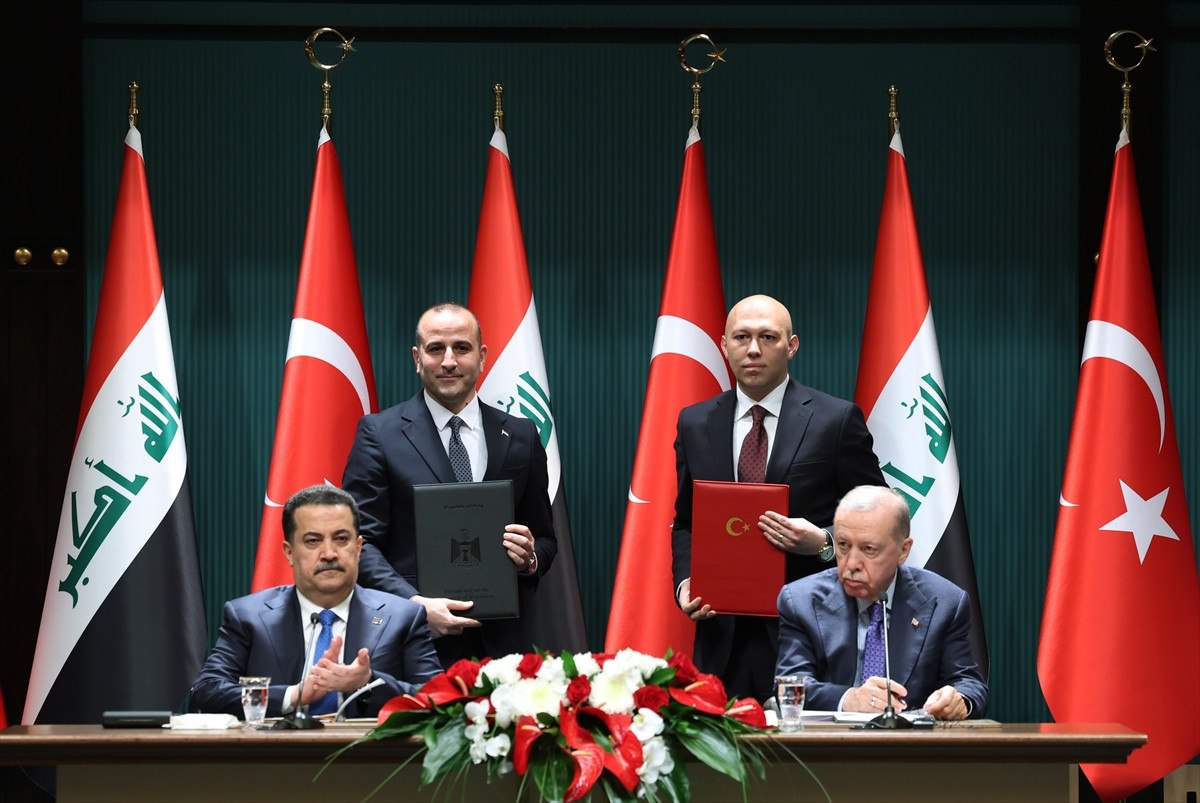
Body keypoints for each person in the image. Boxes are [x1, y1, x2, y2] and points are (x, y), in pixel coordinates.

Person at [671, 294, 886, 703]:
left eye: (768, 337)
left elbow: (879, 518)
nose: (753, 349)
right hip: (722, 636)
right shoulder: (695, 422)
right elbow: (686, 521)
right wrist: (685, 582)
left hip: (812, 634)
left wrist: (824, 543)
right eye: (742, 337)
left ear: (792, 346)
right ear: (724, 345)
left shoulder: (836, 420)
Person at [341, 302, 556, 667]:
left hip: (503, 651)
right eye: (436, 348)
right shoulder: (379, 435)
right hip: (414, 647)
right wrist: (414, 606)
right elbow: (360, 543)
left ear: (482, 356)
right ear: (417, 358)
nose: (449, 361)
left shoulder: (521, 435)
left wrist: (530, 558)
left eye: (462, 347)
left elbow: (545, 538)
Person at [190, 485, 441, 719]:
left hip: (369, 752)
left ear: (358, 548)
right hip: (277, 752)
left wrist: (368, 683)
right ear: (289, 552)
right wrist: (292, 696)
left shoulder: (403, 618)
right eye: (313, 541)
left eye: (341, 539)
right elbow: (205, 694)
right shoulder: (249, 617)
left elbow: (440, 698)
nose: (329, 553)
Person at [776, 485, 988, 720]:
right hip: (830, 740)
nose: (851, 563)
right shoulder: (801, 601)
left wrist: (959, 700)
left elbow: (968, 683)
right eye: (843, 545)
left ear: (903, 550)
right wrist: (849, 699)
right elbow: (789, 685)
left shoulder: (944, 602)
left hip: (909, 741)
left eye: (868, 549)